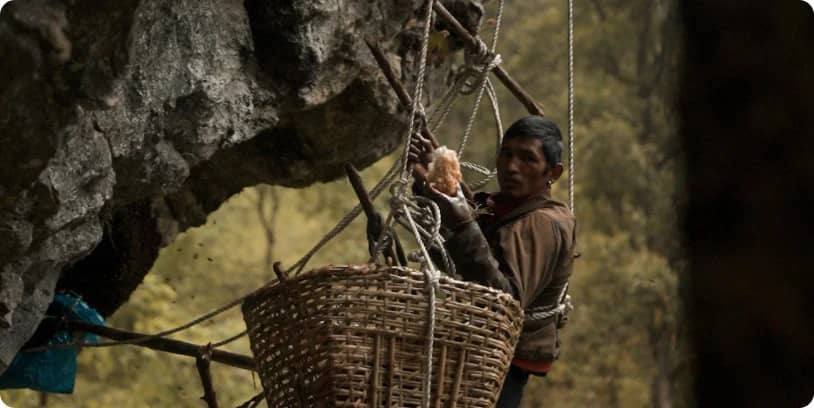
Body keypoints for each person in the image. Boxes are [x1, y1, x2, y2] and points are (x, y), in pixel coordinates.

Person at [409, 116, 577, 407]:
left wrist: (462, 222)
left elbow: (505, 302)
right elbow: (465, 254)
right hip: (477, 352)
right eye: (506, 154)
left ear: (553, 172)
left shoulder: (542, 222)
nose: (512, 166)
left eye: (528, 159)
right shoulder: (502, 209)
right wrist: (434, 186)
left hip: (501, 365)